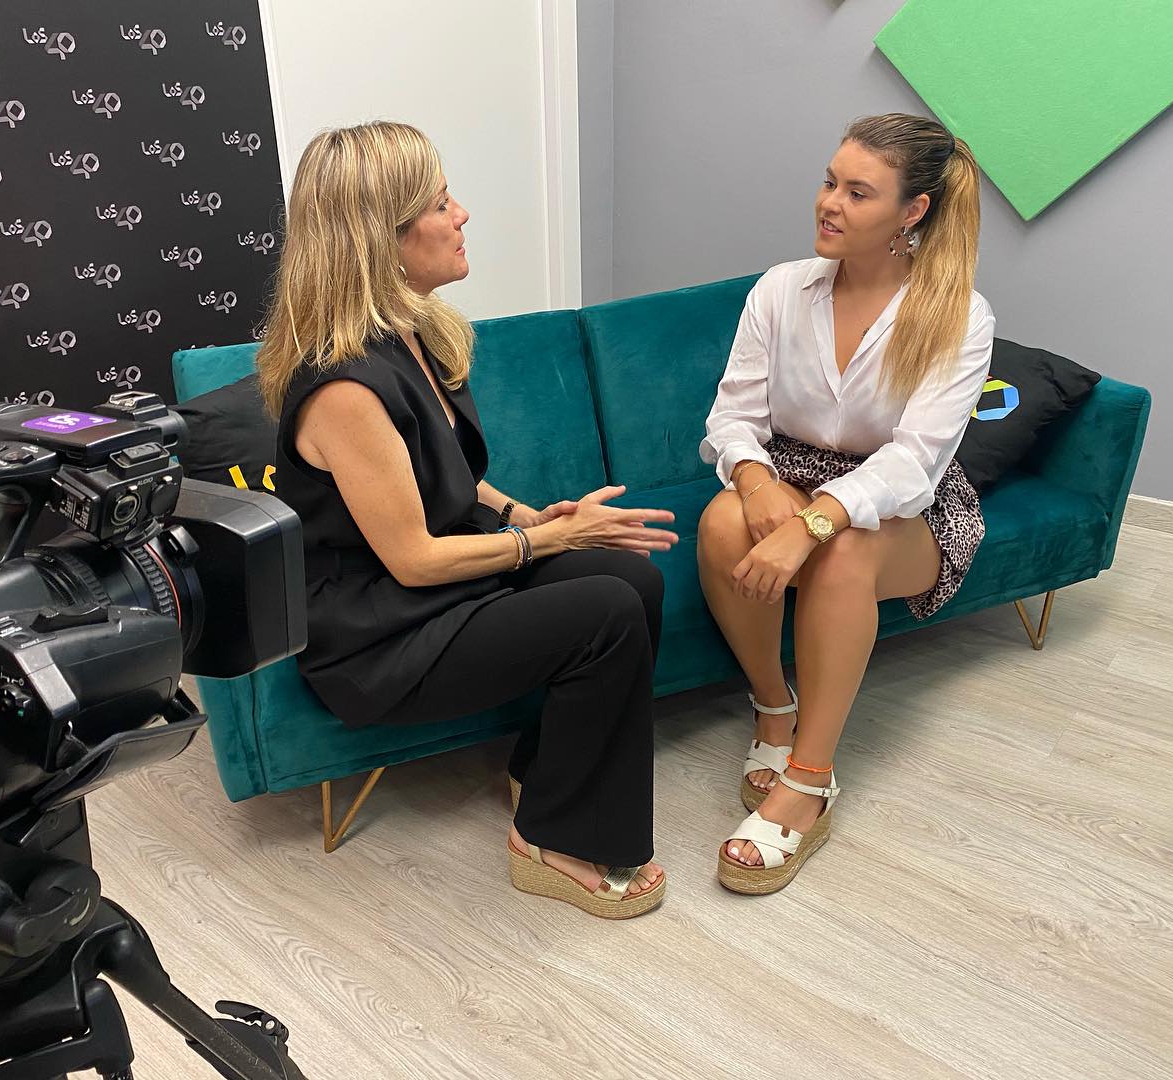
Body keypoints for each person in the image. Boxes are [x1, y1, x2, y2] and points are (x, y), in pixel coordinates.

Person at [256, 122, 678, 918]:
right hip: (380, 637)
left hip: (432, 595)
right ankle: (554, 839)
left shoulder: (409, 335)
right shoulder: (343, 386)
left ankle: (548, 772)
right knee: (608, 609)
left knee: (631, 575)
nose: (463, 214)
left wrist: (526, 512)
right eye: (442, 201)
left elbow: (447, 478)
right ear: (382, 238)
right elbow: (413, 558)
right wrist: (551, 539)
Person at [698, 113, 995, 895]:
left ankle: (810, 777)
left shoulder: (961, 316)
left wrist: (813, 523)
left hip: (909, 503)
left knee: (847, 551)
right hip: (790, 470)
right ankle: (772, 706)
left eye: (857, 192)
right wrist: (758, 485)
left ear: (913, 212)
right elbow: (733, 417)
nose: (829, 202)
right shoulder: (779, 289)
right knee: (723, 519)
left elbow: (915, 461)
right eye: (830, 181)